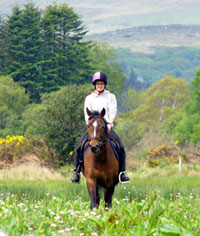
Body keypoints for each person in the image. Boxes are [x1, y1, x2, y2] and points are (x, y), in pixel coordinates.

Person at [70, 71, 130, 184]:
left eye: (102, 83)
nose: (100, 85)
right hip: (93, 127)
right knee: (79, 148)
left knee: (121, 147)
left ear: (105, 85)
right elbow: (87, 114)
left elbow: (113, 111)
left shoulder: (111, 97)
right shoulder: (89, 98)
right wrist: (90, 127)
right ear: (95, 85)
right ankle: (76, 172)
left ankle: (122, 172)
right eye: (98, 83)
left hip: (106, 126)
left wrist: (110, 124)